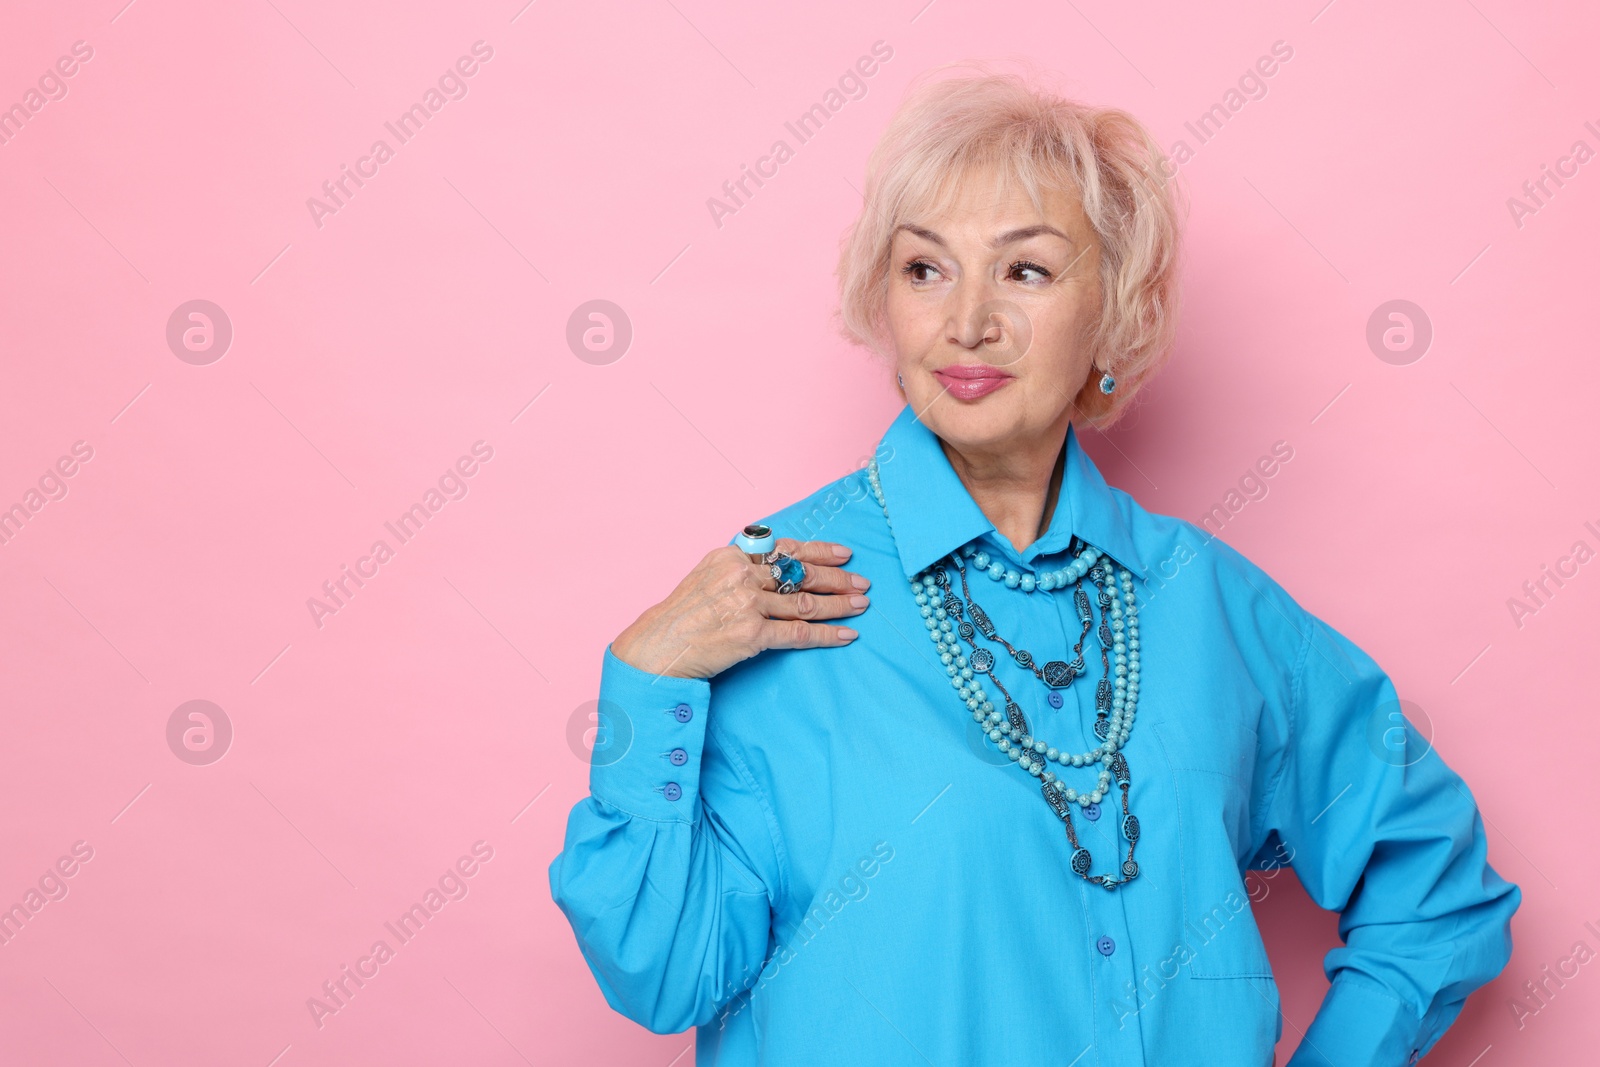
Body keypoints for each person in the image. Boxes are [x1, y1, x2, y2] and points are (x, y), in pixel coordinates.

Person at [548, 68, 1520, 1066]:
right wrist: (645, 681)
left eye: (1025, 271)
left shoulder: (1205, 603)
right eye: (924, 269)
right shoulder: (781, 596)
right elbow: (664, 974)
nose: (965, 320)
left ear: (1114, 310)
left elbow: (1435, 884)